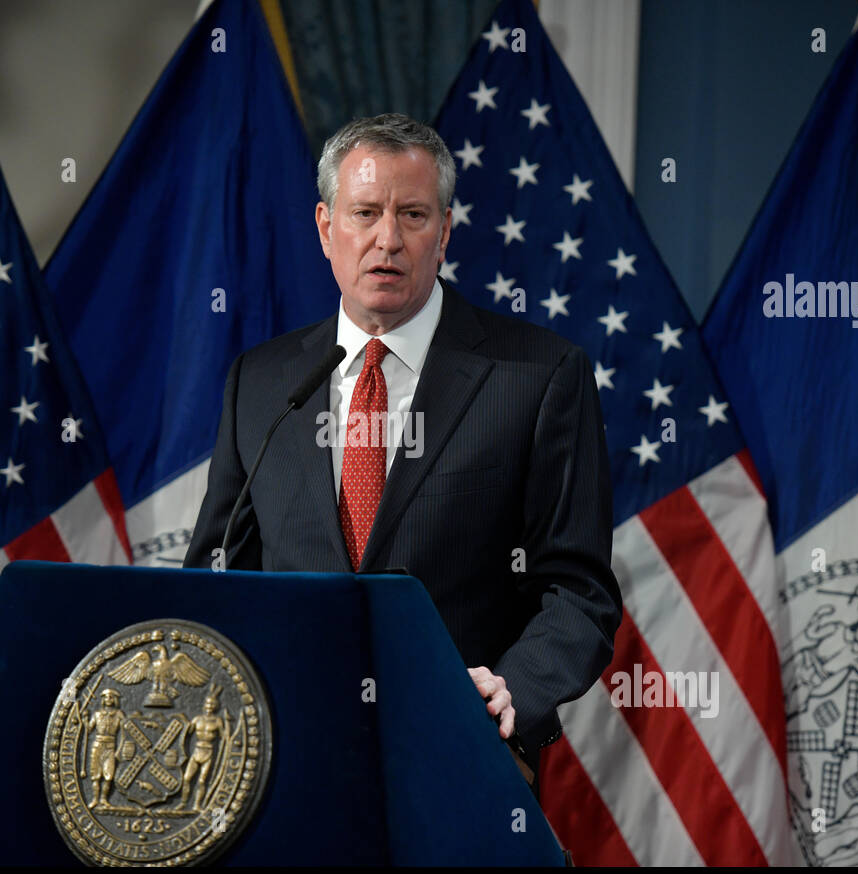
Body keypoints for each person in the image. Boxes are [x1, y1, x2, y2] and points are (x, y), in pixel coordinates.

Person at [184, 114, 620, 788]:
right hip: (283, 756)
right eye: (365, 213)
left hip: (460, 754)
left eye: (413, 215)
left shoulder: (538, 376)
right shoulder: (262, 383)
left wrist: (513, 688)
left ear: (444, 233)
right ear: (327, 227)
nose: (387, 240)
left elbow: (578, 591)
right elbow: (218, 575)